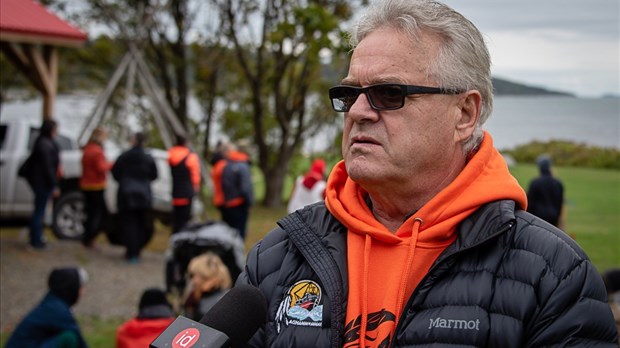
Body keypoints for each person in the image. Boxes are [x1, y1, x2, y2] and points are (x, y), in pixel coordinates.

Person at [234, 0, 618, 347]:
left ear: (464, 115)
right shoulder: (278, 255)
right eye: (350, 94)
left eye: (389, 93)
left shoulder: (555, 274)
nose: (357, 112)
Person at [5, 267, 89, 348]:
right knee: (69, 338)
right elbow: (80, 340)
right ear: (71, 288)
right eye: (80, 288)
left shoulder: (52, 302)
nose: (83, 292)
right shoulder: (58, 310)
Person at [111, 132, 158, 264]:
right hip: (143, 195)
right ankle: (136, 251)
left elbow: (115, 172)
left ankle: (131, 251)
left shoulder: (124, 156)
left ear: (133, 141)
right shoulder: (148, 158)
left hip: (126, 194)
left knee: (129, 224)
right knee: (141, 224)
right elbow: (154, 175)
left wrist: (125, 181)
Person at [22, 119, 61, 249]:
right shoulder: (45, 144)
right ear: (51, 129)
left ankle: (36, 236)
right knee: (40, 211)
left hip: (39, 181)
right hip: (43, 182)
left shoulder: (41, 141)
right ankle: (36, 240)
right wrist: (54, 184)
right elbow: (48, 167)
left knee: (39, 210)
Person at [211, 141, 254, 239]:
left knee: (227, 230)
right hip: (236, 203)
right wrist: (249, 202)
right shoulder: (239, 165)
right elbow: (245, 188)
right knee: (238, 232)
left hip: (224, 202)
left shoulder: (221, 165)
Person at [80, 127, 112, 248]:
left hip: (85, 184)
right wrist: (112, 164)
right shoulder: (97, 151)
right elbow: (101, 168)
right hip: (96, 186)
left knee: (90, 213)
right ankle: (90, 237)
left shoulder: (87, 149)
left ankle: (87, 237)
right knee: (97, 214)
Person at [182, 252, 233, 321]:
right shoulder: (227, 295)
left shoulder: (208, 303)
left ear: (205, 276)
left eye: (194, 275)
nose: (193, 281)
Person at [168, 134, 201, 234]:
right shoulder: (190, 157)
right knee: (185, 220)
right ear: (185, 143)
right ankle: (183, 240)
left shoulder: (170, 155)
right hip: (187, 192)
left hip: (175, 192)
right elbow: (195, 175)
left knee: (176, 219)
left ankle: (174, 239)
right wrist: (196, 188)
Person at [527, 154, 565, 229]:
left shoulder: (535, 182)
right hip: (554, 218)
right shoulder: (558, 183)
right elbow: (560, 203)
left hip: (538, 218)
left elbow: (530, 203)